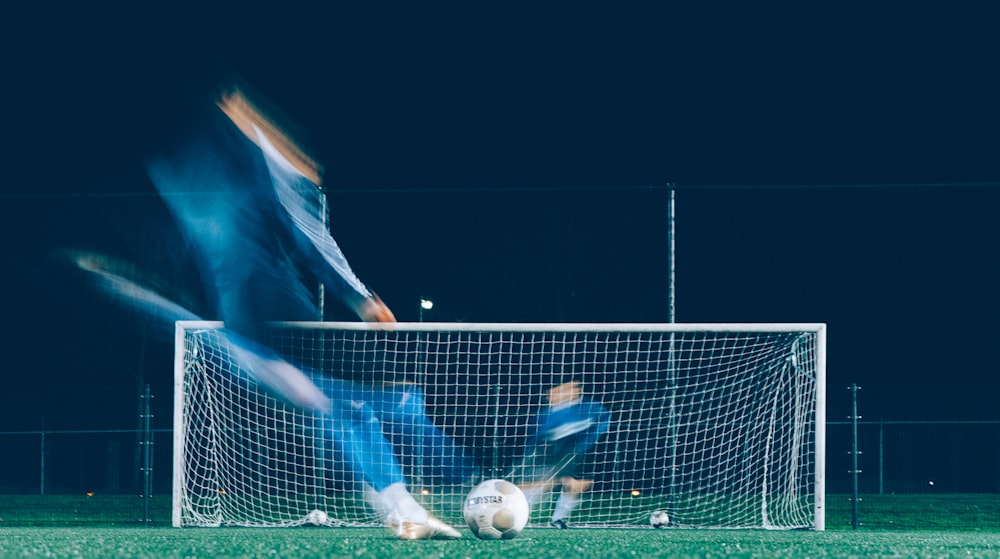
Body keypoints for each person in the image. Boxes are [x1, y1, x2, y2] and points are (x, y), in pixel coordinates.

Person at [145, 81, 467, 539]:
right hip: (278, 315)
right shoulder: (263, 173)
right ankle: (452, 479)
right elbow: (309, 234)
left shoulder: (193, 180)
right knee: (384, 402)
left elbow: (190, 244)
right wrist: (361, 297)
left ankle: (399, 506)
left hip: (245, 330)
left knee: (342, 409)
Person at [516, 380, 611, 529]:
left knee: (578, 484)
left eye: (571, 388)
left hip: (580, 450)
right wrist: (530, 453)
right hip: (550, 450)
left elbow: (603, 423)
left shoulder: (590, 408)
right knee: (537, 484)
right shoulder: (545, 415)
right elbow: (534, 437)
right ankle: (515, 512)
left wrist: (585, 444)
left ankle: (559, 518)